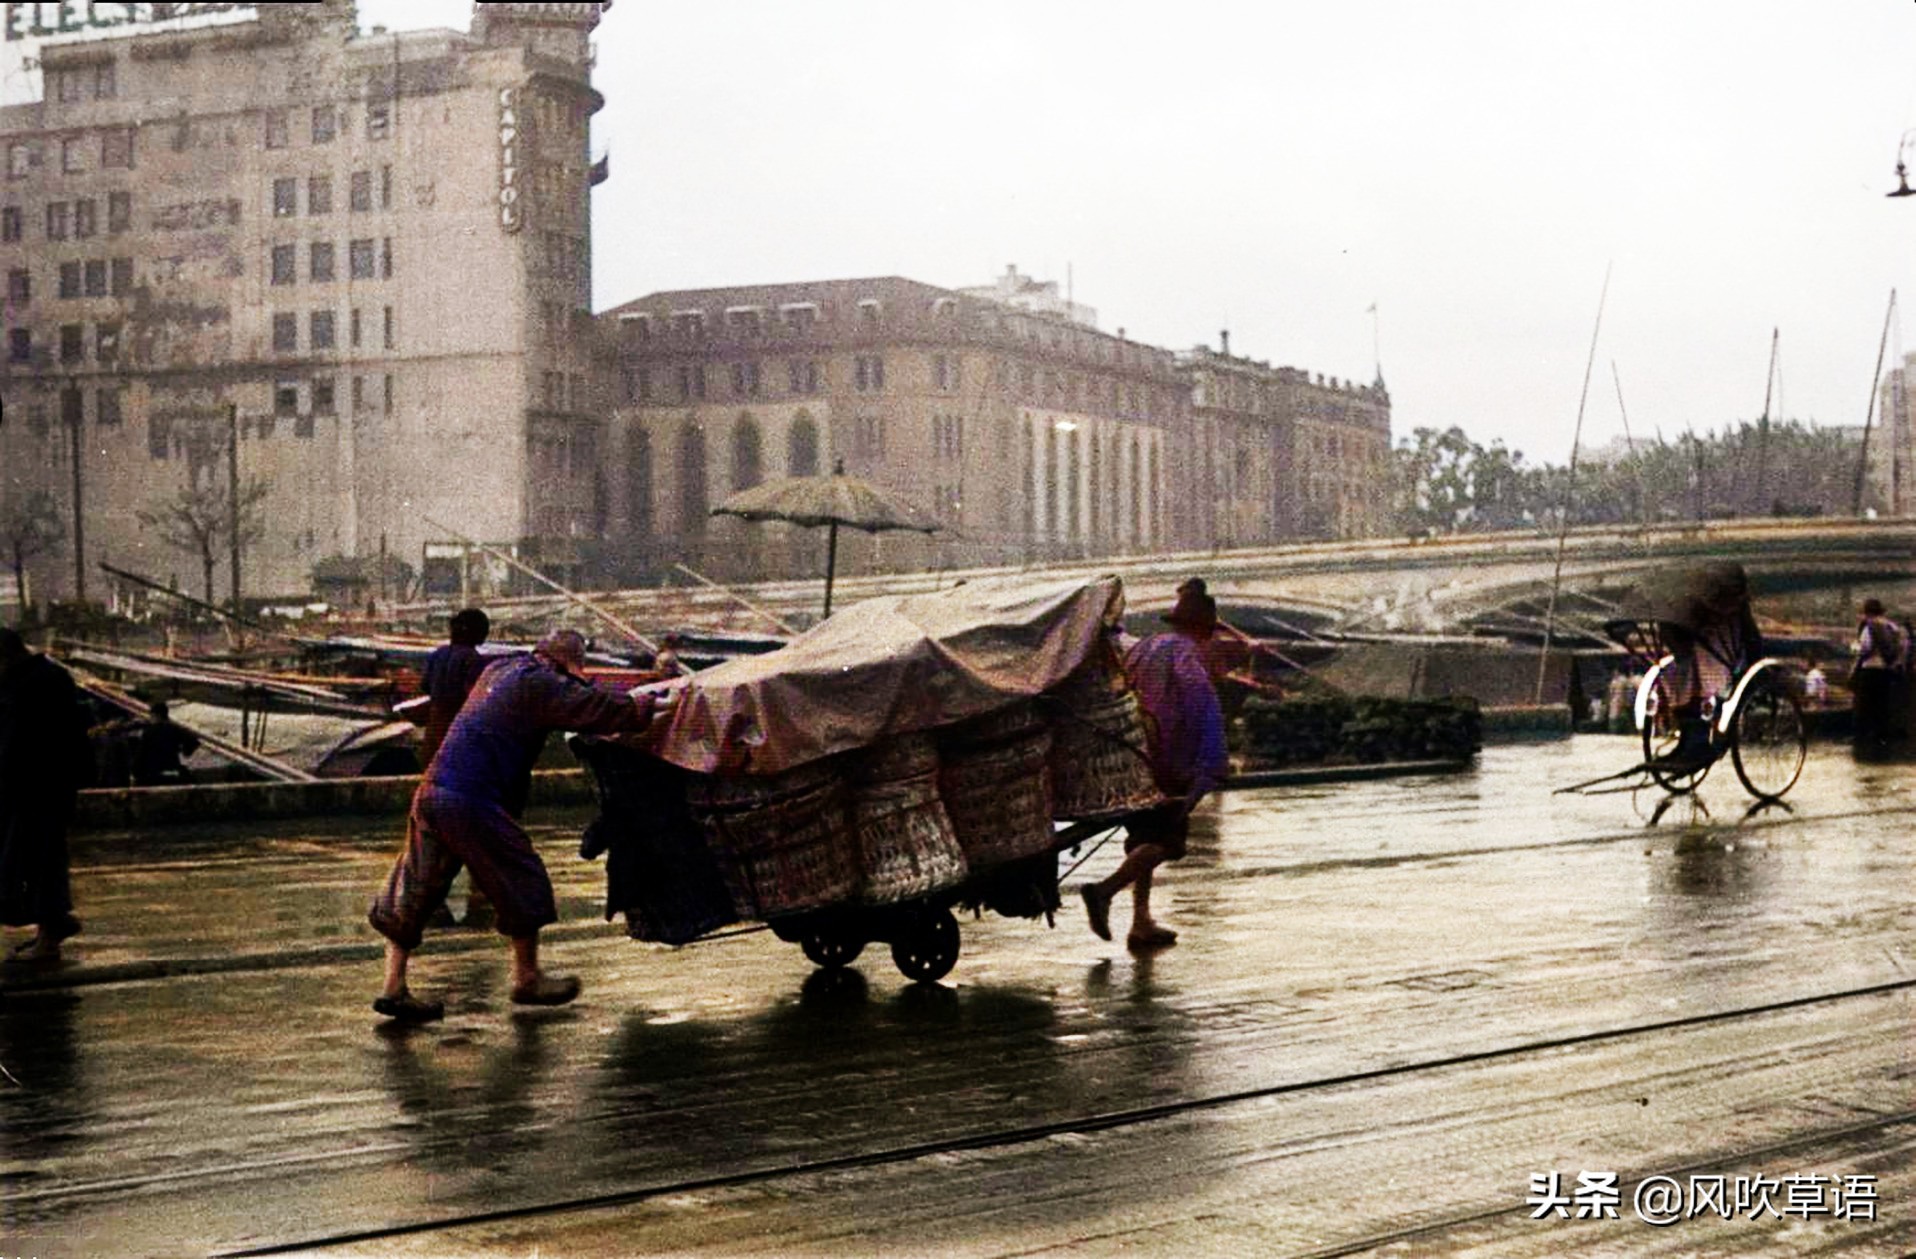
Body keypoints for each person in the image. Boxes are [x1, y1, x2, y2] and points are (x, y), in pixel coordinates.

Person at [367, 629, 661, 1022]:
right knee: (523, 876)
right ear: (566, 663)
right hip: (470, 799)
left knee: (415, 888)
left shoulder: (501, 669)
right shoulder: (541, 683)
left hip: (433, 790)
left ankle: (393, 987)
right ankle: (526, 978)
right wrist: (646, 705)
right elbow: (599, 710)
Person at [1078, 587, 1228, 953]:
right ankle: (1104, 891)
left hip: (1136, 756)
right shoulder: (1185, 654)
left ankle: (1141, 921)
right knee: (1168, 843)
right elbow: (1200, 704)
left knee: (1142, 839)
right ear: (1203, 628)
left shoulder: (1144, 647)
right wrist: (1211, 761)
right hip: (1170, 760)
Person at [0, 629, 92, 964]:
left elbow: (15, 745)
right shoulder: (48, 678)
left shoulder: (26, 686)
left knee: (36, 863)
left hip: (35, 790)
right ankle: (51, 927)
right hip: (47, 788)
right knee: (37, 862)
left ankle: (51, 932)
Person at [419, 608, 490, 767]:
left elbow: (425, 686)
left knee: (431, 771)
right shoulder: (473, 659)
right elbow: (476, 696)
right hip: (459, 726)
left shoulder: (438, 654)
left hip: (434, 724)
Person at [1851, 598, 1907, 747]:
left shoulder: (1869, 626)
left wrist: (1855, 649)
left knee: (1865, 703)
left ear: (1868, 611)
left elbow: (1865, 648)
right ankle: (1882, 736)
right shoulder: (1892, 627)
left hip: (1870, 669)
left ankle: (1862, 736)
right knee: (1882, 703)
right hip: (1887, 669)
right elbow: (1901, 646)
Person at [131, 700, 201, 787]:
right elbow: (194, 742)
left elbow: (140, 755)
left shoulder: (148, 732)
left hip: (154, 773)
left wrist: (134, 773)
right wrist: (184, 751)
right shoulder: (174, 729)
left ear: (155, 715)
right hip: (172, 769)